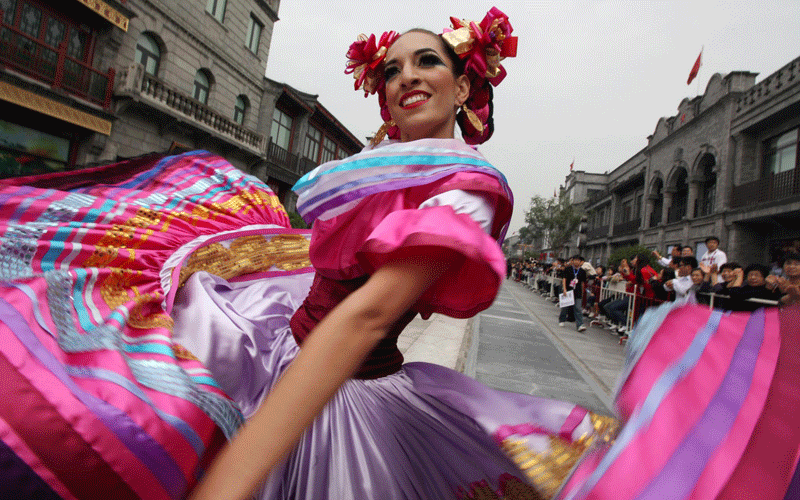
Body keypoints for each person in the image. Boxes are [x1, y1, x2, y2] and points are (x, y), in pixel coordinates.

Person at [2, 10, 799, 500]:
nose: (405, 78)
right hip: (273, 347)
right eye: (391, 69)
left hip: (341, 396)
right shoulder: (364, 177)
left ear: (465, 89)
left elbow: (373, 312)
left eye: (428, 63)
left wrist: (232, 478)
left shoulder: (468, 187)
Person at [559, 255, 588, 332]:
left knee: (578, 308)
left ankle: (580, 324)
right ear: (572, 261)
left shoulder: (582, 271)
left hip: (577, 291)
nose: (576, 262)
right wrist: (564, 289)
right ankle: (562, 319)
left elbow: (582, 283)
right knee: (565, 306)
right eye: (575, 260)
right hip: (568, 290)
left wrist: (582, 292)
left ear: (581, 262)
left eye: (578, 260)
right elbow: (564, 279)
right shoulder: (568, 269)